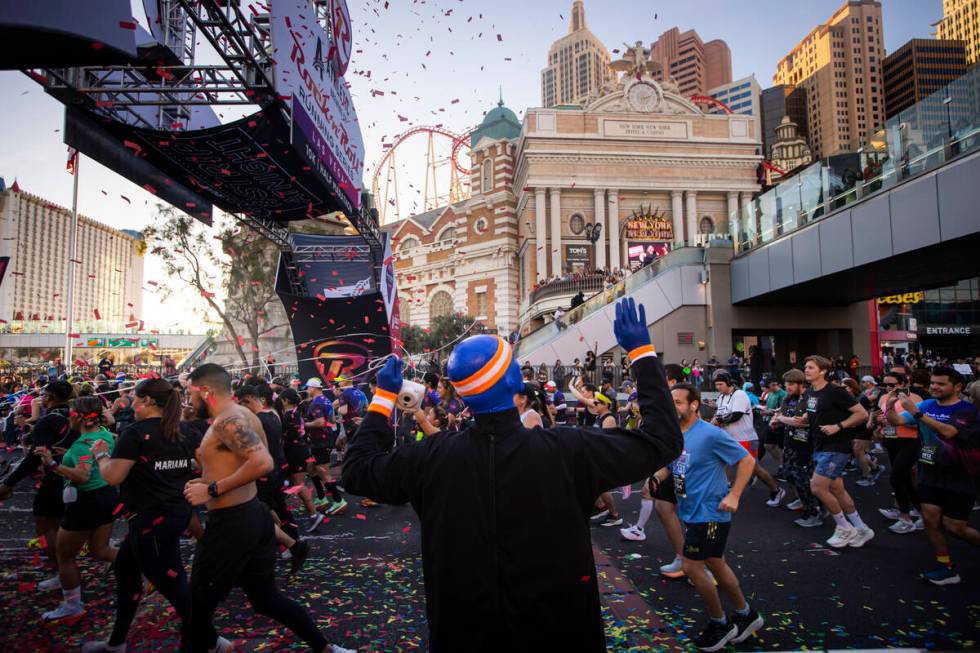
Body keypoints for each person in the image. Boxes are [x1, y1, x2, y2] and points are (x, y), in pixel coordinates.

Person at [342, 299, 683, 652]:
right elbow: (663, 440)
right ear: (514, 381)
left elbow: (356, 471)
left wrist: (384, 397)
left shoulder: (432, 456)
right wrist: (642, 353)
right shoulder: (568, 450)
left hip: (464, 634)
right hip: (559, 633)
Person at [181, 364, 354, 653]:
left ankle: (212, 644)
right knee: (265, 599)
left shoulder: (229, 421)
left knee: (195, 606)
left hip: (231, 524)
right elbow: (245, 461)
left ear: (206, 391)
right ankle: (327, 649)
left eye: (190, 393)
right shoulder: (244, 414)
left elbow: (262, 462)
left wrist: (211, 489)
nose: (188, 400)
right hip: (252, 516)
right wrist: (210, 476)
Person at [82, 378, 200, 652]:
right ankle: (116, 642)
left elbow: (113, 477)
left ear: (147, 401)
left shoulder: (135, 433)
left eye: (135, 398)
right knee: (126, 570)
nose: (130, 403)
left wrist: (101, 455)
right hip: (172, 515)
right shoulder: (182, 429)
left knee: (175, 587)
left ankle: (211, 641)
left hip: (152, 522)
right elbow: (200, 464)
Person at [667, 383, 763, 651]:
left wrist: (734, 495)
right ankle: (746, 614)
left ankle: (720, 623)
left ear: (693, 405)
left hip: (709, 513)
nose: (672, 406)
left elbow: (747, 461)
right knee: (716, 563)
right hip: (691, 510)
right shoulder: (677, 433)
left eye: (677, 402)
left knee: (692, 567)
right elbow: (673, 464)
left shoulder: (710, 434)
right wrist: (657, 476)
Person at [887, 367, 979, 585]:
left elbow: (949, 432)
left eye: (941, 384)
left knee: (955, 526)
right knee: (930, 518)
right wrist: (889, 407)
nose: (935, 387)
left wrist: (918, 414)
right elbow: (897, 422)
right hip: (929, 471)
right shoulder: (927, 404)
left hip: (959, 474)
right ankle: (946, 566)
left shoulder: (967, 410)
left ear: (957, 387)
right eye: (933, 383)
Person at [36, 396, 119, 621]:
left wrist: (52, 464)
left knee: (64, 555)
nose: (67, 417)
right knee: (100, 549)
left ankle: (72, 606)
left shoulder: (83, 443)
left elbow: (82, 475)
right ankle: (145, 567)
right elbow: (92, 458)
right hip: (107, 495)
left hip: (86, 502)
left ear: (80, 417)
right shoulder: (104, 433)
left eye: (70, 413)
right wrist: (69, 454)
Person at [0, 380, 77, 582]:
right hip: (78, 475)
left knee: (44, 526)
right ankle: (64, 565)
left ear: (50, 396)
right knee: (61, 524)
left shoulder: (48, 420)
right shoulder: (75, 415)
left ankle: (59, 567)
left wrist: (8, 483)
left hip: (56, 476)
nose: (41, 398)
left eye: (44, 394)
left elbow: (36, 456)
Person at [794, 356, 873, 548]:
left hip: (836, 447)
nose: (806, 370)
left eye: (811, 367)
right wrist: (798, 419)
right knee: (837, 490)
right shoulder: (810, 392)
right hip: (819, 446)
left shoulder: (835, 391)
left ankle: (844, 527)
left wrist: (839, 426)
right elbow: (811, 416)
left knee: (817, 487)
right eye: (806, 367)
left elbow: (862, 414)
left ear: (823, 371)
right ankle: (862, 528)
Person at [621, 363, 687, 580]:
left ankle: (701, 564)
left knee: (693, 514)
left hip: (685, 462)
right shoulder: (661, 401)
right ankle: (684, 557)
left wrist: (733, 493)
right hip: (670, 460)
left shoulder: (681, 403)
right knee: (663, 505)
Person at [710, 371, 783, 507]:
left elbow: (736, 415)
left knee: (754, 468)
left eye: (720, 384)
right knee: (721, 461)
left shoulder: (740, 395)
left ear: (729, 383)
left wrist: (718, 420)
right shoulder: (722, 396)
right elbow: (719, 414)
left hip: (745, 438)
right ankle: (726, 487)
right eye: (716, 384)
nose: (718, 387)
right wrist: (713, 420)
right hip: (728, 438)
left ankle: (776, 490)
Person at [768, 369, 822, 528]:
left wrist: (782, 419)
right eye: (786, 384)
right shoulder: (788, 398)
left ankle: (814, 511)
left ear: (801, 384)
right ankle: (803, 500)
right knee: (789, 474)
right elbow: (783, 415)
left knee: (803, 477)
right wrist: (776, 421)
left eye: (791, 384)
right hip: (790, 442)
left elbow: (803, 422)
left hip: (807, 444)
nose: (788, 387)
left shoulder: (810, 398)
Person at [874, 372, 923, 533]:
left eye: (892, 385)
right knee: (905, 480)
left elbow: (921, 423)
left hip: (910, 441)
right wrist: (879, 421)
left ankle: (905, 517)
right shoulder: (884, 398)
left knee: (896, 478)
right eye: (884, 385)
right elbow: (880, 417)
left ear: (902, 384)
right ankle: (923, 513)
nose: (888, 388)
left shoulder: (914, 399)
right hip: (890, 440)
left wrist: (898, 421)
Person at [302, 378, 345, 517]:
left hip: (321, 442)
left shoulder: (317, 402)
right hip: (322, 441)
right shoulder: (326, 400)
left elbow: (320, 422)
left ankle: (339, 501)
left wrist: (303, 424)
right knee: (311, 469)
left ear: (313, 388)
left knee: (323, 473)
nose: (307, 390)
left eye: (308, 387)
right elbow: (332, 420)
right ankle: (321, 498)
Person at [842, 378, 883, 487]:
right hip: (853, 428)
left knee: (858, 451)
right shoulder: (847, 398)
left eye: (845, 387)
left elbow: (871, 413)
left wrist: (868, 422)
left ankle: (867, 476)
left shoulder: (862, 398)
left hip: (864, 428)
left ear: (851, 387)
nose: (842, 389)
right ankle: (875, 467)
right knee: (859, 452)